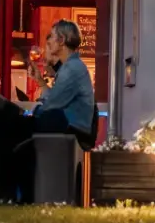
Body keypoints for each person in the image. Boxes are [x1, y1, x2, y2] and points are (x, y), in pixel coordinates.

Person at [7, 20, 96, 202]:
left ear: (61, 40)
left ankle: (19, 197)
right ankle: (21, 195)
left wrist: (36, 111)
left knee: (11, 129)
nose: (48, 45)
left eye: (51, 41)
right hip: (70, 124)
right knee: (19, 135)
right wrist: (40, 82)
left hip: (71, 127)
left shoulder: (72, 68)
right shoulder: (70, 68)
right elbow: (53, 101)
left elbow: (51, 105)